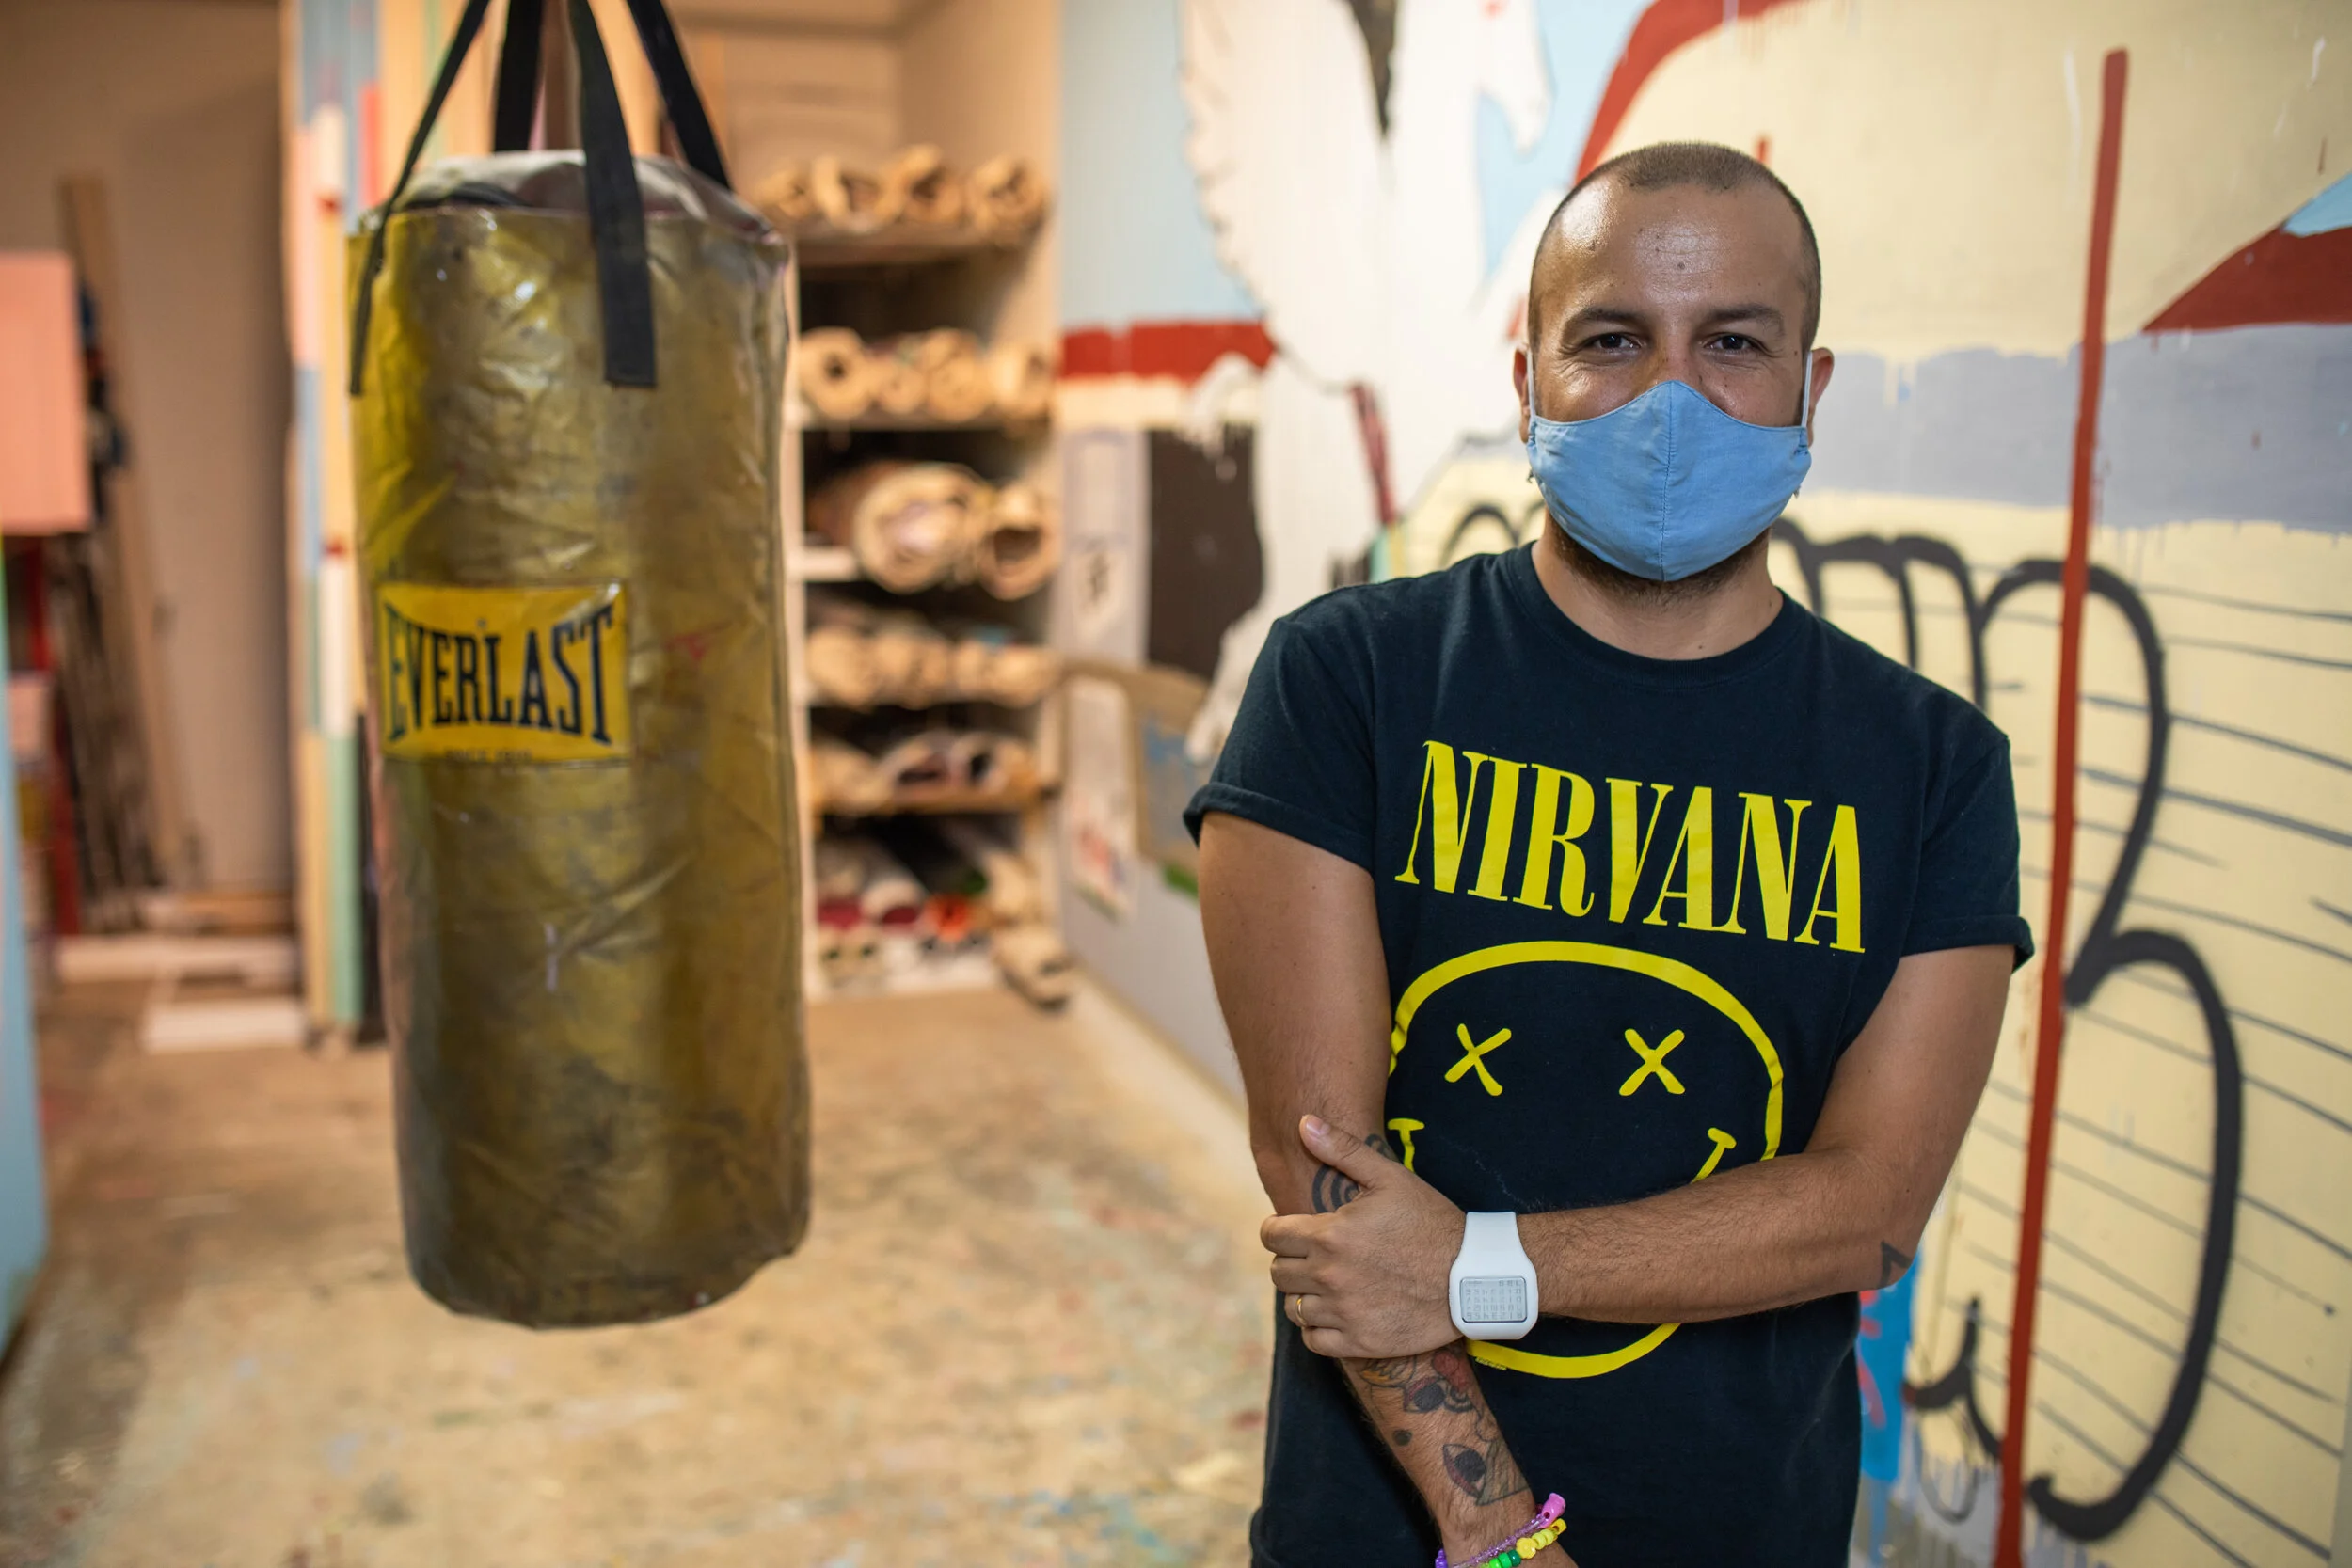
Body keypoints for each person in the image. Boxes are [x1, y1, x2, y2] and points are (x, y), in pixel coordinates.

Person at [1185, 142, 2031, 1567]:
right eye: (1613, 340)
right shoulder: (1352, 680)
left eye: (1735, 344)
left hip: (1746, 1528)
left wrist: (1481, 1267)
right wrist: (1498, 1531)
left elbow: (1869, 1211)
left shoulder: (1931, 765)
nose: (1671, 398)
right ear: (1530, 382)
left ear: (1810, 389)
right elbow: (1327, 1177)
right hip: (1394, 1530)